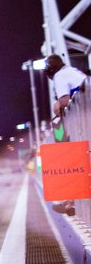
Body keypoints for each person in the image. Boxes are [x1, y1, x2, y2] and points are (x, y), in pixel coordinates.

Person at [44, 54, 89, 215]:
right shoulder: (72, 71)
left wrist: (56, 107)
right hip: (84, 121)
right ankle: (70, 200)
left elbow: (63, 102)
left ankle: (69, 201)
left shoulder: (59, 75)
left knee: (65, 155)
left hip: (83, 124)